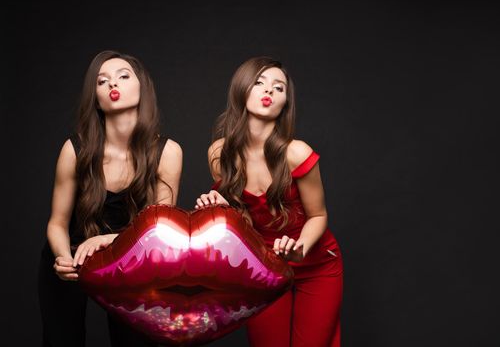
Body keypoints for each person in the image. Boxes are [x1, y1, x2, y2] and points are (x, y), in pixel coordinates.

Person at [37, 50, 183, 347]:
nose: (112, 84)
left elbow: (160, 232)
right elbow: (57, 222)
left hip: (132, 265)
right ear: (97, 98)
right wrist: (63, 258)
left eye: (123, 76)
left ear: (142, 86)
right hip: (72, 257)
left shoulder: (167, 152)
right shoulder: (74, 149)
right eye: (102, 81)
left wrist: (108, 240)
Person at [195, 56, 343, 347]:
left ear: (285, 103)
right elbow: (245, 225)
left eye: (279, 88)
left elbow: (318, 216)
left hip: (316, 265)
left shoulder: (296, 153)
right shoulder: (218, 154)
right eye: (260, 82)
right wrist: (223, 213)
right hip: (264, 266)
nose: (269, 91)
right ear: (241, 90)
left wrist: (300, 249)